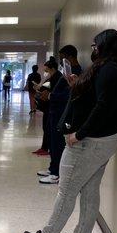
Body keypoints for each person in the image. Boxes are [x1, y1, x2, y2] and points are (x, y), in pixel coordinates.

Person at [24, 29, 117, 233]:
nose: (92, 50)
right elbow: (97, 99)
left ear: (104, 47)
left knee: (67, 188)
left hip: (91, 141)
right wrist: (76, 85)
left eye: (95, 46)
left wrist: (78, 134)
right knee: (90, 189)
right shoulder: (113, 68)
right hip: (106, 139)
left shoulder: (109, 70)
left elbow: (102, 107)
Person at [38, 46, 82, 184]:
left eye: (62, 57)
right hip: (54, 111)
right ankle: (52, 168)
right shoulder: (66, 71)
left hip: (61, 112)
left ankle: (57, 173)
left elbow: (68, 95)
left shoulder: (76, 73)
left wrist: (50, 95)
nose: (61, 61)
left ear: (69, 57)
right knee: (53, 141)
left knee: (58, 143)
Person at [32, 58, 62, 156]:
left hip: (51, 106)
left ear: (52, 68)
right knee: (46, 127)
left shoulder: (57, 77)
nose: (45, 72)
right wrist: (39, 88)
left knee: (48, 128)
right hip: (47, 107)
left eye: (46, 70)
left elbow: (50, 90)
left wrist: (41, 89)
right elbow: (45, 87)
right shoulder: (51, 77)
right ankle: (44, 147)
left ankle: (46, 148)